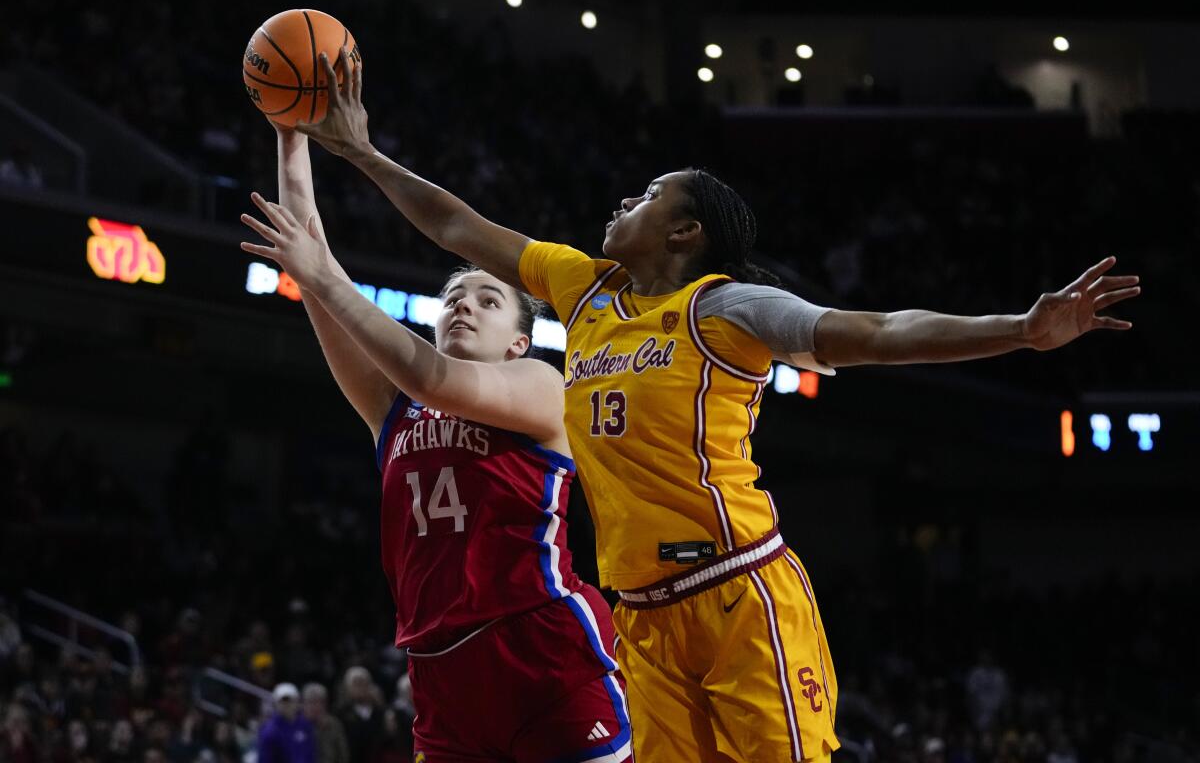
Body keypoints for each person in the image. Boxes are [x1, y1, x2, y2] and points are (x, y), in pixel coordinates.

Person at [290, 46, 1142, 763]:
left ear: (683, 233)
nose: (622, 203)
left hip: (738, 591)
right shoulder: (581, 290)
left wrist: (1021, 331)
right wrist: (360, 153)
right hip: (644, 621)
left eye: (648, 196)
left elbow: (876, 330)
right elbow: (456, 225)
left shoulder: (722, 309)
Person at [236, 119, 631, 763]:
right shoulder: (392, 408)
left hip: (543, 653)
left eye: (486, 299)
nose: (463, 306)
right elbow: (313, 265)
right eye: (453, 296)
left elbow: (428, 372)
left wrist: (327, 279)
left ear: (518, 340)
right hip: (440, 670)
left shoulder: (540, 385)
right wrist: (290, 133)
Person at [256, 683, 315, 763]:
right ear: (276, 704)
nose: (286, 705)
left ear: (297, 701)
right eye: (283, 701)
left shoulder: (305, 725)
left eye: (290, 701)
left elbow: (311, 754)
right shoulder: (269, 732)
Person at [301, 683, 349, 763]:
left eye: (320, 702)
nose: (316, 706)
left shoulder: (334, 724)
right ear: (303, 704)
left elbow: (343, 754)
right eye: (311, 702)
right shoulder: (296, 725)